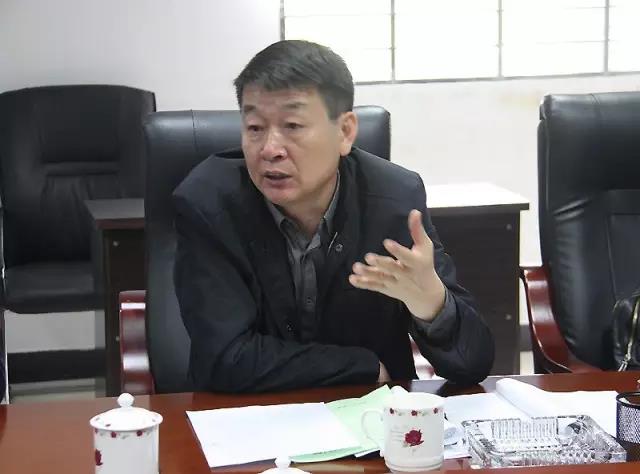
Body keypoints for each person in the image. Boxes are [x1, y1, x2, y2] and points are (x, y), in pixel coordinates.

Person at [173, 40, 494, 392]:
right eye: (254, 128)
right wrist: (362, 367)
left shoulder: (394, 200)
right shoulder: (209, 203)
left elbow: (473, 365)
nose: (270, 149)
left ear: (345, 132)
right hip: (241, 417)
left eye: (292, 125)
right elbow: (225, 359)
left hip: (372, 418)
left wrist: (433, 305)